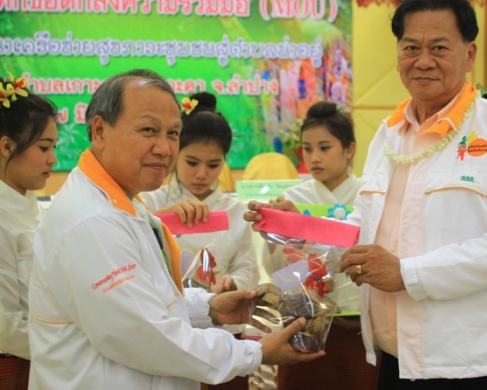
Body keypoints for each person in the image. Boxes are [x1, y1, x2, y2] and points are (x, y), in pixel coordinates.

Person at [247, 0, 487, 389]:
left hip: (471, 364)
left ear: (469, 54)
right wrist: (299, 228)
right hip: (393, 362)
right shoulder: (389, 135)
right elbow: (363, 229)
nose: (423, 61)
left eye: (439, 48)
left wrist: (406, 273)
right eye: (410, 48)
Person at [27, 69, 322, 390]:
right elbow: (143, 336)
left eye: (172, 133)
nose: (164, 148)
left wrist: (207, 307)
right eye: (148, 130)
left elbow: (149, 296)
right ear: (100, 131)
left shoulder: (126, 204)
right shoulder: (92, 221)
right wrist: (254, 352)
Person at [140, 91, 259, 390]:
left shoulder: (236, 211)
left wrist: (232, 282)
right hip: (168, 331)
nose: (202, 174)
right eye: (191, 162)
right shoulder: (149, 203)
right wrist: (160, 219)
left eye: (213, 165)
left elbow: (247, 268)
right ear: (174, 152)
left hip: (224, 334)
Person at [271, 100, 378, 390]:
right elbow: (277, 267)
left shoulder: (369, 195)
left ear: (349, 149)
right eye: (307, 149)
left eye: (324, 147)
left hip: (358, 323)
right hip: (307, 322)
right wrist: (273, 233)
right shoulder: (292, 198)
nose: (314, 157)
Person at [0, 75, 57, 389]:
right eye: (44, 147)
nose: (53, 159)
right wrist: (72, 346)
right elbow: (6, 328)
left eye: (53, 147)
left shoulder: (40, 211)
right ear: (7, 146)